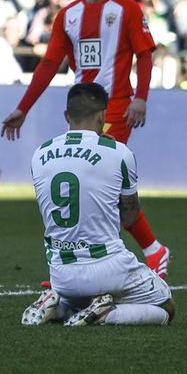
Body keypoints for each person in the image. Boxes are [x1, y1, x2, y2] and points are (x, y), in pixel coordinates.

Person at [1, 0, 171, 279]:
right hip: (81, 112)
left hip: (115, 110)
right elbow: (50, 63)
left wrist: (141, 97)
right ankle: (152, 250)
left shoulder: (128, 10)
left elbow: (146, 54)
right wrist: (23, 108)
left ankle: (113, 260)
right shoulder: (69, 15)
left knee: (97, 186)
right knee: (90, 186)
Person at [21, 83, 175, 326]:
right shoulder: (118, 152)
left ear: (66, 115)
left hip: (60, 272)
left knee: (79, 297)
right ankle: (106, 314)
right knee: (166, 307)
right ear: (104, 115)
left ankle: (61, 307)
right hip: (109, 267)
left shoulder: (40, 153)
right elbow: (130, 218)